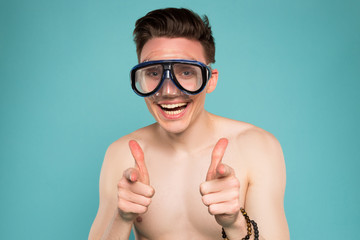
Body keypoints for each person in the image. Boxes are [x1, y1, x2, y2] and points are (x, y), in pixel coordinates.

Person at [89, 8, 289, 240]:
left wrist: (235, 224)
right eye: (153, 73)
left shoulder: (257, 147)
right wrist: (122, 218)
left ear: (210, 80)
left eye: (185, 72)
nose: (168, 91)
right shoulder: (121, 154)